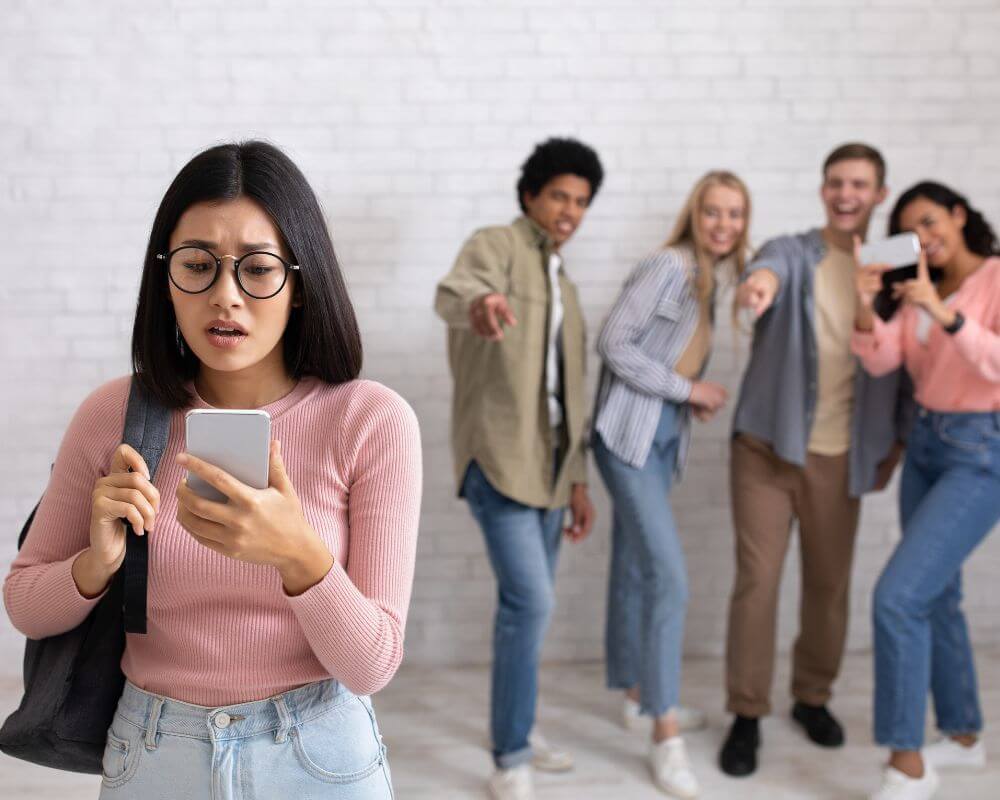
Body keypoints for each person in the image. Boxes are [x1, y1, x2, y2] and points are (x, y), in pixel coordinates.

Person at [3, 141, 422, 799]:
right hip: (152, 754)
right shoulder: (111, 414)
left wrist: (298, 557)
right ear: (165, 278)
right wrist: (97, 563)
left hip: (318, 758)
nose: (225, 297)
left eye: (257, 269)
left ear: (300, 282)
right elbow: (25, 603)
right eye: (197, 265)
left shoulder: (371, 420)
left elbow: (372, 665)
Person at [719, 143, 911, 777]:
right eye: (835, 182)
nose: (845, 193)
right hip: (766, 448)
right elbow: (767, 268)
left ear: (880, 194)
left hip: (841, 458)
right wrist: (757, 287)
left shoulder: (895, 270)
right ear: (822, 188)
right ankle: (746, 712)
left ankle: (812, 697)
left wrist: (899, 442)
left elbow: (911, 361)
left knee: (828, 587)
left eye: (859, 183)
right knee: (759, 582)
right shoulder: (795, 250)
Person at [433, 137, 602, 800]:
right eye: (559, 194)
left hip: (555, 470)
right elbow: (456, 291)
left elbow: (572, 390)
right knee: (530, 601)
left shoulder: (566, 284)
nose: (570, 209)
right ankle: (510, 755)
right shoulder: (496, 246)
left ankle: (519, 733)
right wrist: (480, 306)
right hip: (499, 458)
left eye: (582, 201)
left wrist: (580, 477)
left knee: (527, 610)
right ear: (531, 194)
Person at [593, 171, 751, 797]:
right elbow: (613, 342)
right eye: (712, 212)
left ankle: (638, 695)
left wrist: (689, 399)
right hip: (626, 437)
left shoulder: (711, 282)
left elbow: (667, 357)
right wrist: (689, 390)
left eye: (734, 215)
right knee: (670, 577)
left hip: (660, 436)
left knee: (636, 567)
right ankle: (665, 732)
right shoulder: (671, 265)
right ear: (695, 215)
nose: (723, 224)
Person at [852, 182, 1000, 800]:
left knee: (898, 597)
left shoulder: (991, 280)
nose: (928, 238)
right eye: (914, 231)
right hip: (928, 447)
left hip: (981, 451)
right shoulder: (918, 287)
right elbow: (883, 360)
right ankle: (964, 736)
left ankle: (907, 763)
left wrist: (945, 314)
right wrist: (867, 304)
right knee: (935, 596)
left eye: (932, 222)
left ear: (959, 215)